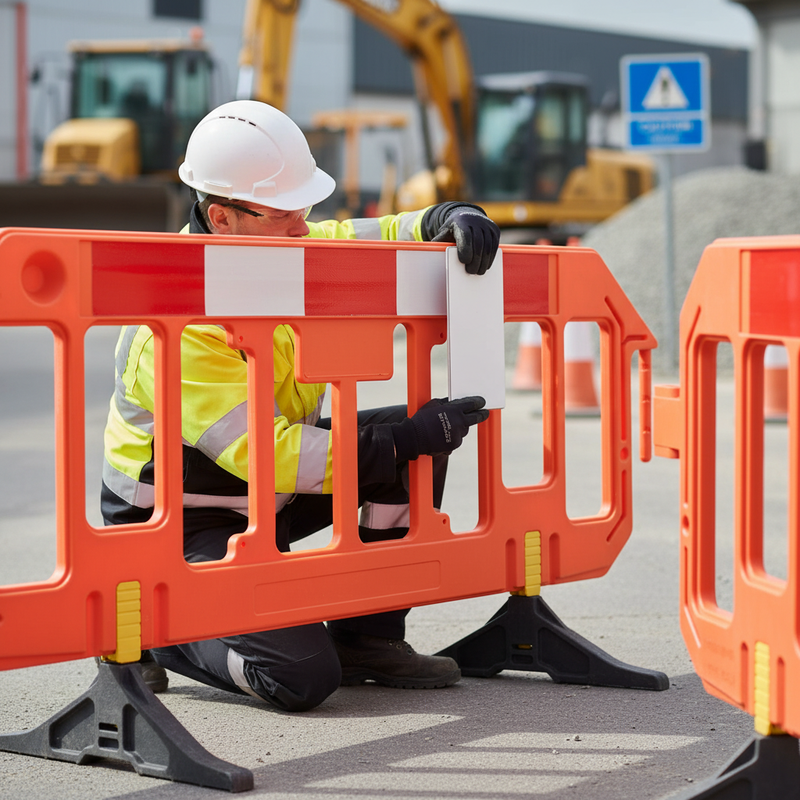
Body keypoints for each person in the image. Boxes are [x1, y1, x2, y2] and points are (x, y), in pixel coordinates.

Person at [100, 100, 500, 712]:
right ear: (223, 219)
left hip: (261, 501)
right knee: (301, 678)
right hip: (176, 528)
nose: (304, 227)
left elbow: (375, 234)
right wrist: (400, 442)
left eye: (305, 209)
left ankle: (369, 637)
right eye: (287, 213)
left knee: (411, 444)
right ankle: (152, 631)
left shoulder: (283, 247)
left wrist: (445, 216)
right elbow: (270, 456)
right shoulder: (177, 324)